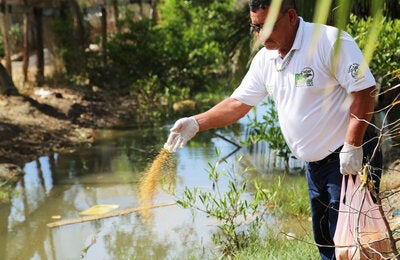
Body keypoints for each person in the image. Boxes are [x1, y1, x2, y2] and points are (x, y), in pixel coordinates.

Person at [163, 0, 382, 259]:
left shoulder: (328, 42)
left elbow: (364, 90)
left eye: (267, 27)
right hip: (315, 167)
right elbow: (237, 103)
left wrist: (353, 144)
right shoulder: (265, 59)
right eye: (256, 28)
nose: (261, 35)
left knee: (354, 245)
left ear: (291, 16)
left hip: (349, 155)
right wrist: (197, 122)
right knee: (327, 242)